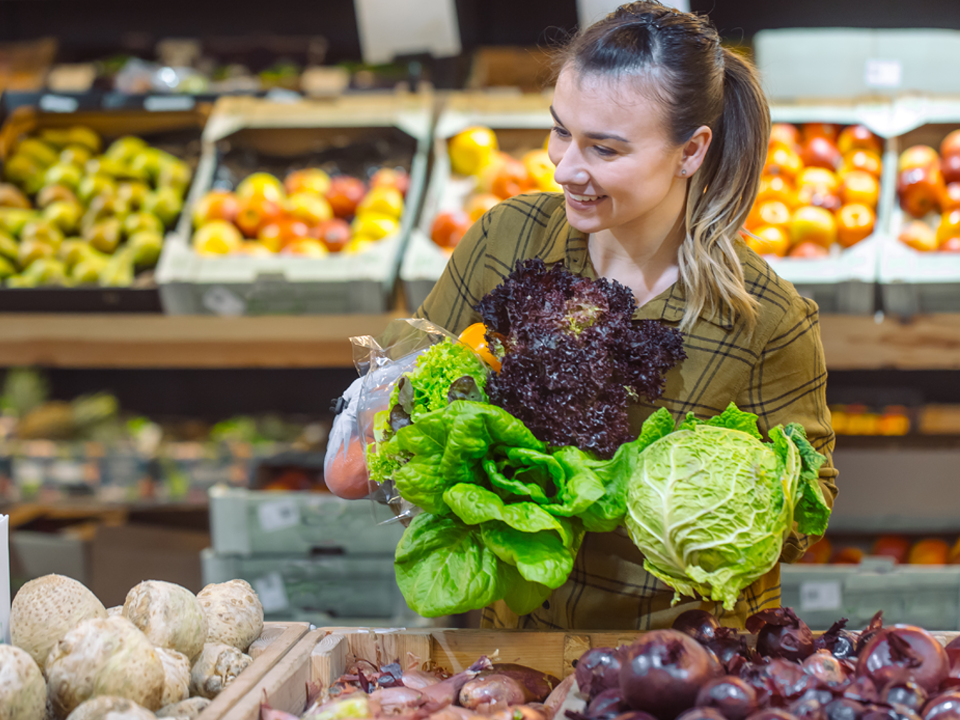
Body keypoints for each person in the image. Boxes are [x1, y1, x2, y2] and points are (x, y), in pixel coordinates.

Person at [327, 0, 838, 631]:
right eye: (561, 130)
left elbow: (809, 504)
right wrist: (409, 402)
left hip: (686, 659)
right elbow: (391, 402)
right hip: (520, 649)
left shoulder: (766, 321)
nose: (565, 167)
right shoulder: (507, 239)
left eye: (604, 149)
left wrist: (690, 502)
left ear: (691, 150)